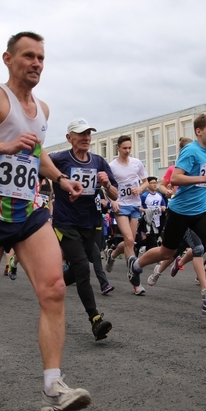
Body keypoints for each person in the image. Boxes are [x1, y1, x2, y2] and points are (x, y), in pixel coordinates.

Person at [0, 31, 91, 411]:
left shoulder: (42, 109)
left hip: (29, 212)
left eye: (41, 57)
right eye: (28, 56)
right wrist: (2, 146)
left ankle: (53, 384)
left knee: (55, 288)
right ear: (8, 59)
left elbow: (37, 156)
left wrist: (60, 179)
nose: (36, 63)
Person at [128, 113, 206, 317]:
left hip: (201, 211)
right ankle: (136, 264)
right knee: (167, 253)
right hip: (180, 211)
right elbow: (175, 179)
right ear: (198, 131)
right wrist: (204, 177)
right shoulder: (190, 150)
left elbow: (204, 181)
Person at [49, 118, 118, 340]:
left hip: (91, 222)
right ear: (69, 138)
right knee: (82, 267)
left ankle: (52, 281)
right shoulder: (59, 158)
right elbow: (39, 169)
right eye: (81, 133)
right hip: (65, 222)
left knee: (85, 262)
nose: (86, 137)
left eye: (89, 133)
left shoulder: (98, 161)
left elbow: (115, 195)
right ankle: (95, 319)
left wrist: (106, 184)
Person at [105, 135, 148, 294]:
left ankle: (112, 253)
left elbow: (145, 181)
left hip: (135, 205)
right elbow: (107, 187)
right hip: (121, 205)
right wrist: (113, 201)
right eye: (124, 148)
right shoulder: (112, 166)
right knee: (129, 239)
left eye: (130, 148)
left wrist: (141, 189)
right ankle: (136, 282)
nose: (127, 151)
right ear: (118, 148)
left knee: (130, 241)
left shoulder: (137, 163)